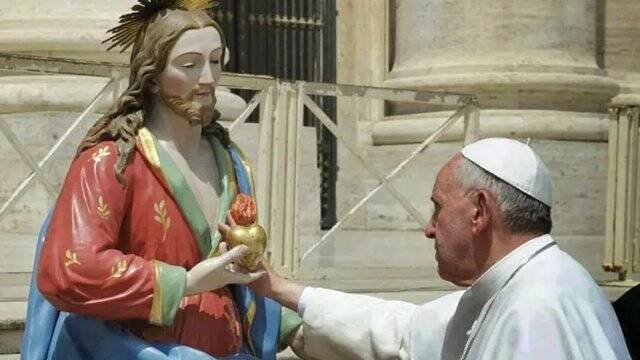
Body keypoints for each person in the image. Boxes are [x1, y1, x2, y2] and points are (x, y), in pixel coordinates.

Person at [21, 1, 301, 359]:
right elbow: (69, 268)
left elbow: (236, 272)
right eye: (189, 65)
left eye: (215, 61)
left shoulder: (231, 161)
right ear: (152, 76)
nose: (207, 79)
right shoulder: (111, 161)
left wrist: (293, 324)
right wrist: (183, 283)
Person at [240, 138, 632, 359]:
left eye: (438, 208)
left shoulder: (539, 312)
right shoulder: (520, 282)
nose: (429, 228)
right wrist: (280, 291)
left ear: (479, 211)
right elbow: (407, 333)